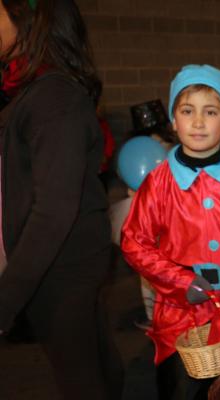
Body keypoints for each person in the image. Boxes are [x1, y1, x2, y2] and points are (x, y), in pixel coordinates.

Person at [0, 1, 123, 399]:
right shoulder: (39, 91)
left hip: (60, 264)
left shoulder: (53, 97)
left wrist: (7, 296)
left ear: (28, 23)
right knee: (93, 360)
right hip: (67, 258)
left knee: (80, 379)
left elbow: (54, 209)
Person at [121, 64, 220, 400]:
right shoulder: (159, 182)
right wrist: (181, 281)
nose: (198, 122)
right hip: (178, 312)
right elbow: (134, 242)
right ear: (174, 120)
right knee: (179, 390)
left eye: (210, 112)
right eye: (187, 111)